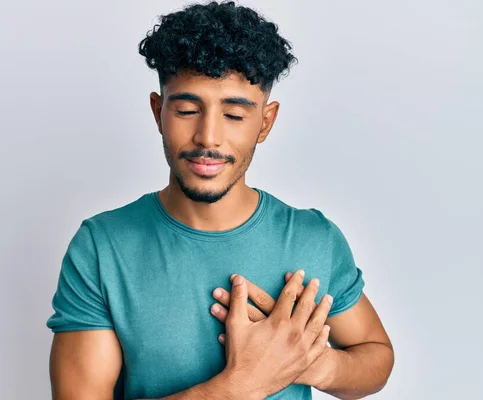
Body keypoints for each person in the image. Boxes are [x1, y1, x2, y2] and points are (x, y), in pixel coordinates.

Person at [46, 1, 394, 399]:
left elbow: (376, 357)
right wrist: (243, 383)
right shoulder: (102, 247)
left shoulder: (314, 237)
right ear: (158, 112)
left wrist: (313, 362)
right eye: (188, 109)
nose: (208, 137)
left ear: (265, 122)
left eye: (234, 115)